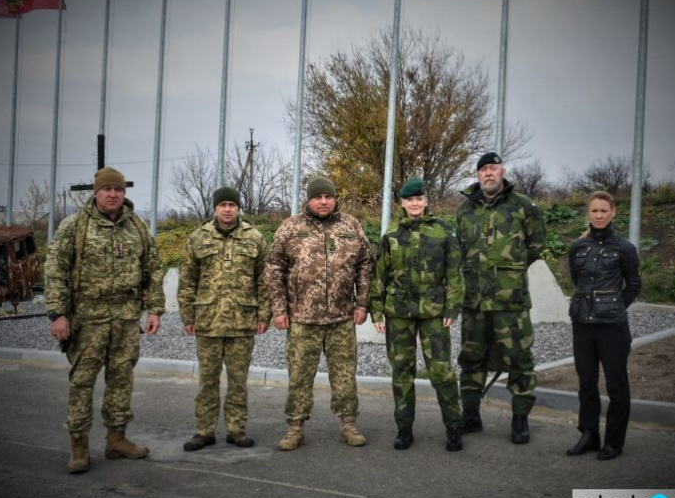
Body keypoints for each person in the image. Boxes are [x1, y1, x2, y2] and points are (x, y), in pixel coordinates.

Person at [45, 166, 165, 474]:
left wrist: (154, 310)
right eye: (107, 189)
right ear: (96, 192)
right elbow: (55, 271)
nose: (113, 194)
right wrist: (58, 314)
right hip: (88, 318)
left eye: (118, 190)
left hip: (126, 318)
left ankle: (117, 440)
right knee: (82, 382)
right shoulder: (75, 226)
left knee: (122, 380)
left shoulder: (136, 226)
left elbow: (153, 269)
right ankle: (79, 446)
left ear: (124, 193)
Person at [265, 178, 374, 451]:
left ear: (335, 199)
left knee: (345, 374)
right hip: (302, 318)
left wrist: (362, 304)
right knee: (300, 375)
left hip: (341, 317)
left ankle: (348, 424)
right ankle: (295, 427)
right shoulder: (291, 227)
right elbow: (273, 269)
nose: (323, 201)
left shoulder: (351, 226)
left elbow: (365, 265)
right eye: (318, 197)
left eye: (328, 196)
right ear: (309, 200)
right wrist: (279, 310)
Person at [456, 151, 546, 444]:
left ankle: (520, 419)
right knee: (471, 359)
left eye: (494, 168)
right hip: (474, 302)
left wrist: (508, 274)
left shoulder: (523, 207)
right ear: (478, 175)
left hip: (511, 303)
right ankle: (470, 416)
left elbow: (536, 246)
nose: (489, 173)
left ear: (502, 171)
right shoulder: (465, 210)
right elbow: (457, 251)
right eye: (484, 170)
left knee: (520, 360)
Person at [369, 179, 464, 452]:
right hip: (399, 314)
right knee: (401, 373)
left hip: (434, 313)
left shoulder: (444, 232)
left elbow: (454, 273)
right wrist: (376, 309)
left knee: (442, 372)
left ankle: (454, 428)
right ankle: (404, 429)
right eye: (409, 199)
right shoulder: (391, 236)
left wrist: (452, 307)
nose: (414, 203)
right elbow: (379, 277)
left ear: (426, 201)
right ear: (402, 203)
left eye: (419, 198)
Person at [178, 187, 271, 451]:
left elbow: (263, 281)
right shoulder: (198, 238)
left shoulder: (253, 238)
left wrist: (264, 315)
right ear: (215, 208)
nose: (227, 209)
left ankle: (236, 429)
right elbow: (187, 281)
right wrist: (188, 315)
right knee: (207, 380)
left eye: (232, 204)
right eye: (223, 205)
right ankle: (204, 431)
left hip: (242, 322)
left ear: (238, 207)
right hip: (208, 321)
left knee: (238, 381)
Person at [566, 190, 641, 460]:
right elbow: (577, 280)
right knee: (586, 382)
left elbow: (633, 285)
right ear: (589, 213)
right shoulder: (578, 247)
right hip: (582, 324)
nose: (598, 215)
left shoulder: (624, 248)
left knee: (616, 385)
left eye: (603, 211)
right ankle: (589, 434)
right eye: (594, 211)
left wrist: (614, 306)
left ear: (613, 213)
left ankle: (614, 442)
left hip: (612, 327)